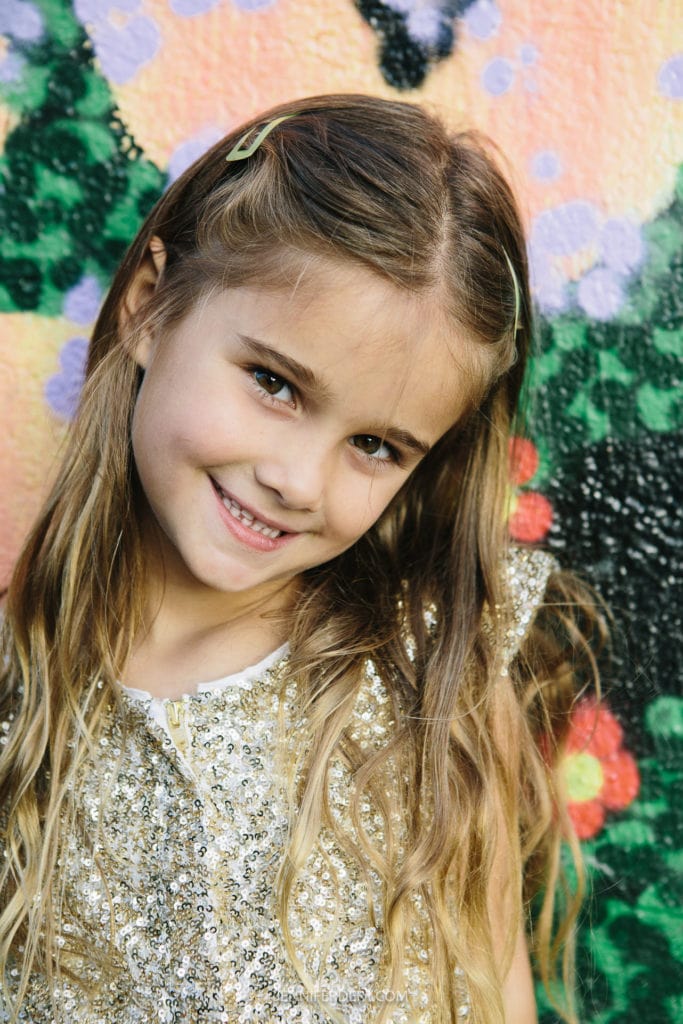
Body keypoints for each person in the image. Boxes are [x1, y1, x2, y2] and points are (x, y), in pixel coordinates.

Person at [0, 94, 602, 1024]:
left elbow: (492, 998)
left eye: (375, 445)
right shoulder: (18, 692)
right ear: (150, 305)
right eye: (275, 384)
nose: (296, 481)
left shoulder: (429, 684)